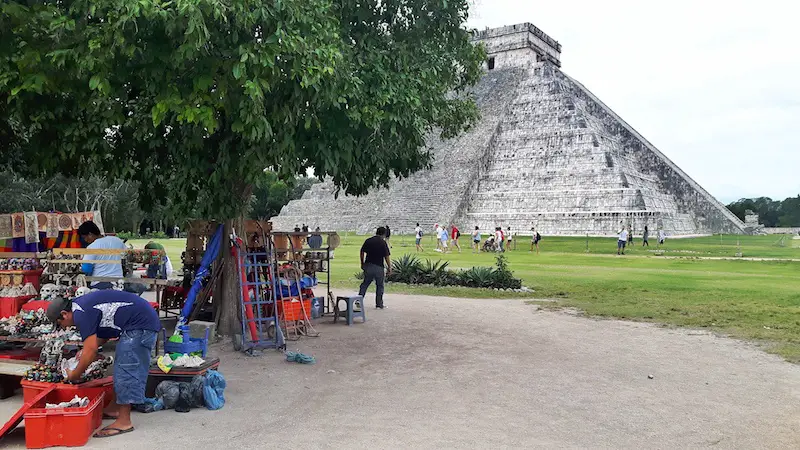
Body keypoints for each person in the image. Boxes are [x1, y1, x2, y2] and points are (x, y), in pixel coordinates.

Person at [46, 291, 160, 438]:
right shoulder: (81, 306)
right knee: (121, 366)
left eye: (60, 323)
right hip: (139, 321)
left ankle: (124, 421)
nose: (64, 327)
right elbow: (102, 335)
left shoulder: (80, 313)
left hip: (141, 324)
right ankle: (114, 408)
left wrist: (75, 374)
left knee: (126, 368)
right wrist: (85, 351)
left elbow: (92, 349)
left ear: (64, 314)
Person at [78, 221, 127, 289]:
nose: (85, 240)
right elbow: (125, 255)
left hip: (100, 284)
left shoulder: (92, 247)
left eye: (84, 237)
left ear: (90, 234)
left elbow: (86, 269)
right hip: (119, 283)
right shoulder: (117, 240)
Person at [358, 227, 392, 309]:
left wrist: (362, 263)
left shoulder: (369, 240)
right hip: (379, 266)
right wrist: (389, 267)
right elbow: (386, 256)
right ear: (383, 234)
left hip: (369, 265)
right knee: (380, 286)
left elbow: (362, 251)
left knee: (365, 284)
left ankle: (358, 301)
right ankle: (379, 304)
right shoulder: (383, 243)